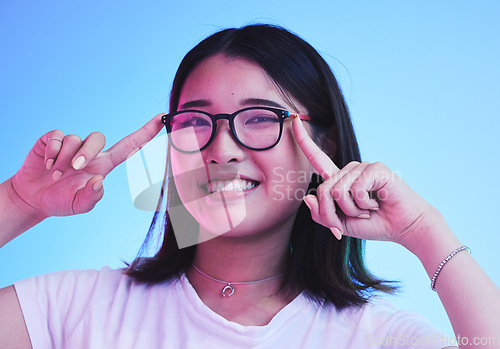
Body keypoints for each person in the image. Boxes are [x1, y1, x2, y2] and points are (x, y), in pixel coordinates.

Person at [0, 24, 498, 349]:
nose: (222, 149)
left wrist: (423, 230)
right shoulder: (75, 309)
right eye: (196, 121)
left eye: (259, 118)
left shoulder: (374, 336)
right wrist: (18, 202)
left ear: (320, 143)